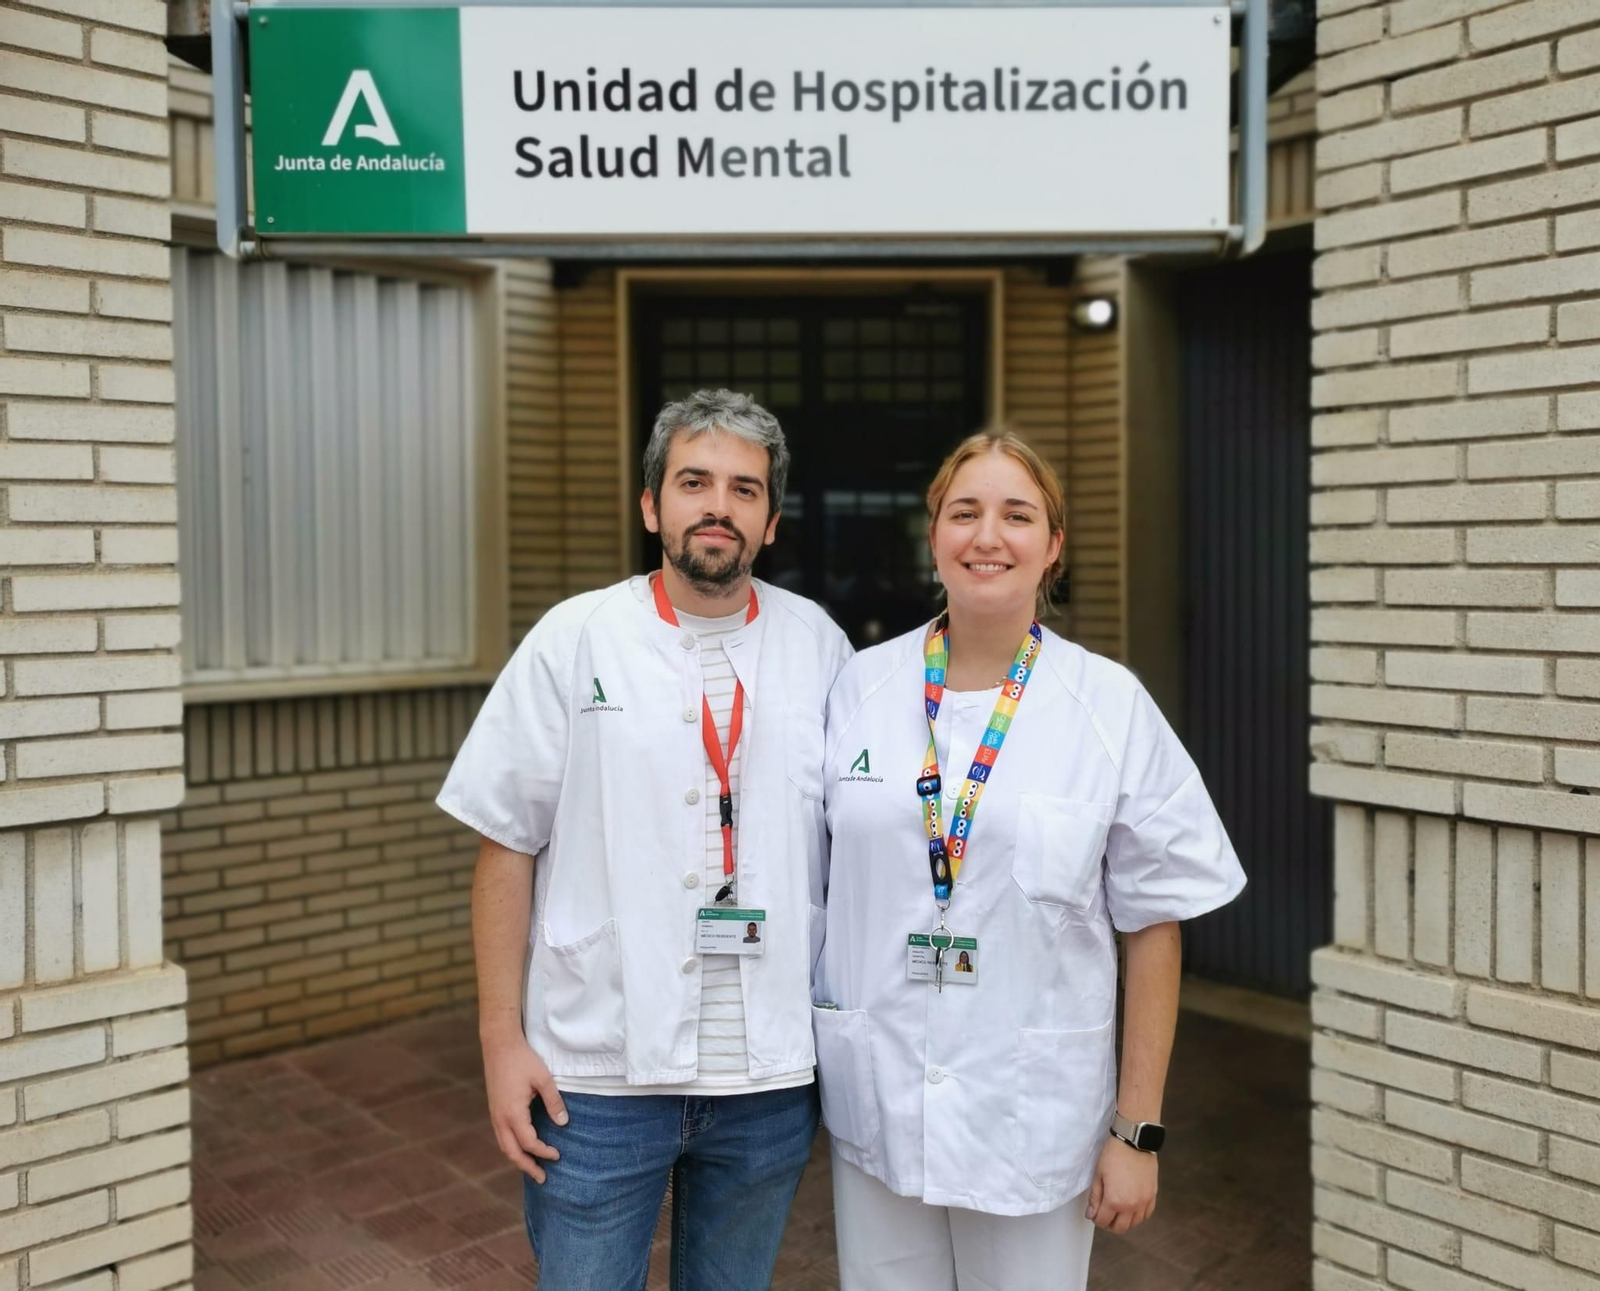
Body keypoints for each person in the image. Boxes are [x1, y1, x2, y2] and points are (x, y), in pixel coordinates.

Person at [438, 389, 851, 1291]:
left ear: (771, 520)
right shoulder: (575, 637)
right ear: (651, 505)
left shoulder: (820, 646)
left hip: (768, 1082)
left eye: (745, 489)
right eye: (694, 481)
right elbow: (506, 842)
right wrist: (498, 1040)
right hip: (595, 1077)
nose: (718, 505)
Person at [814, 430, 1245, 1290]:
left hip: (1031, 1115)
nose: (987, 536)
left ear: (1051, 545)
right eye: (964, 512)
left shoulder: (1108, 704)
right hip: (879, 1095)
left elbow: (1154, 920)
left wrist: (1138, 1129)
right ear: (932, 534)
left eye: (1018, 515)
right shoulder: (856, 688)